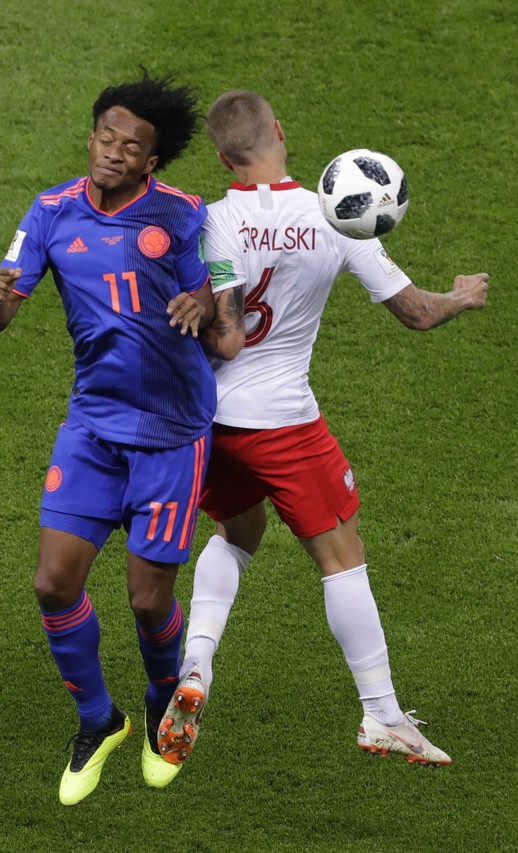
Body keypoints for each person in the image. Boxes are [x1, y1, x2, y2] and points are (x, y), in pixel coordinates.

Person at [155, 89, 490, 774]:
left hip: (214, 420)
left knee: (236, 532)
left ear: (223, 157)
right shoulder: (334, 213)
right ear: (281, 131)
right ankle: (383, 713)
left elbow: (223, 330)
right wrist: (461, 293)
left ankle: (196, 666)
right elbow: (417, 313)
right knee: (342, 554)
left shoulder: (211, 220)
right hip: (284, 420)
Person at [0, 72, 218, 803]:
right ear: (91, 135)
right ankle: (97, 718)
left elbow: (224, 293)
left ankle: (165, 699)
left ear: (152, 161)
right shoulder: (49, 211)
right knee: (52, 582)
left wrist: (205, 297)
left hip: (173, 433)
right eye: (106, 136)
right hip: (92, 427)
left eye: (131, 146)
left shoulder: (181, 215)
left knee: (149, 602)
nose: (113, 152)